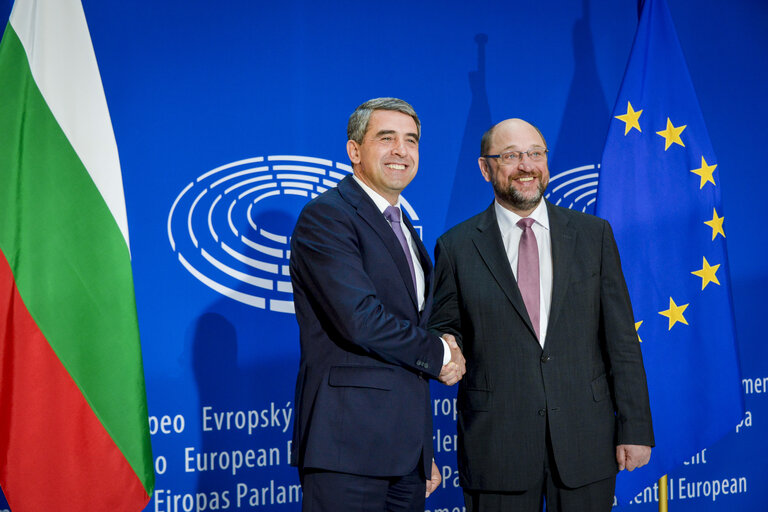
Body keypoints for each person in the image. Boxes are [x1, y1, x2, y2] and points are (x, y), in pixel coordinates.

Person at [429, 118, 654, 511]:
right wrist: (448, 344)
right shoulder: (456, 246)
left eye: (535, 154)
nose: (527, 166)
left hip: (586, 440)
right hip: (497, 445)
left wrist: (635, 428)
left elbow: (620, 338)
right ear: (486, 168)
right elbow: (446, 326)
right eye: (511, 156)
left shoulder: (593, 235)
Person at [289, 97, 466, 511]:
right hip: (347, 449)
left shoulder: (403, 225)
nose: (401, 151)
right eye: (386, 138)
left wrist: (424, 450)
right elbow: (360, 320)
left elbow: (410, 330)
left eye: (411, 140)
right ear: (354, 151)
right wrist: (440, 352)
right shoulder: (327, 217)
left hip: (405, 456)